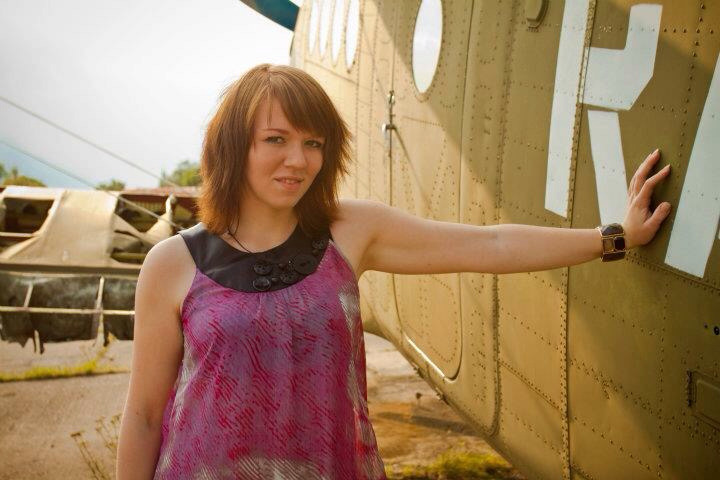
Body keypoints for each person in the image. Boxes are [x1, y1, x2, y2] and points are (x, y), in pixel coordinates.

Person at [115, 63, 672, 480]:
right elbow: (143, 415)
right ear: (233, 147)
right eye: (276, 140)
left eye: (313, 143)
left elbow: (491, 244)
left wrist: (614, 237)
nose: (298, 160)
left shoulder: (350, 231)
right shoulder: (173, 263)